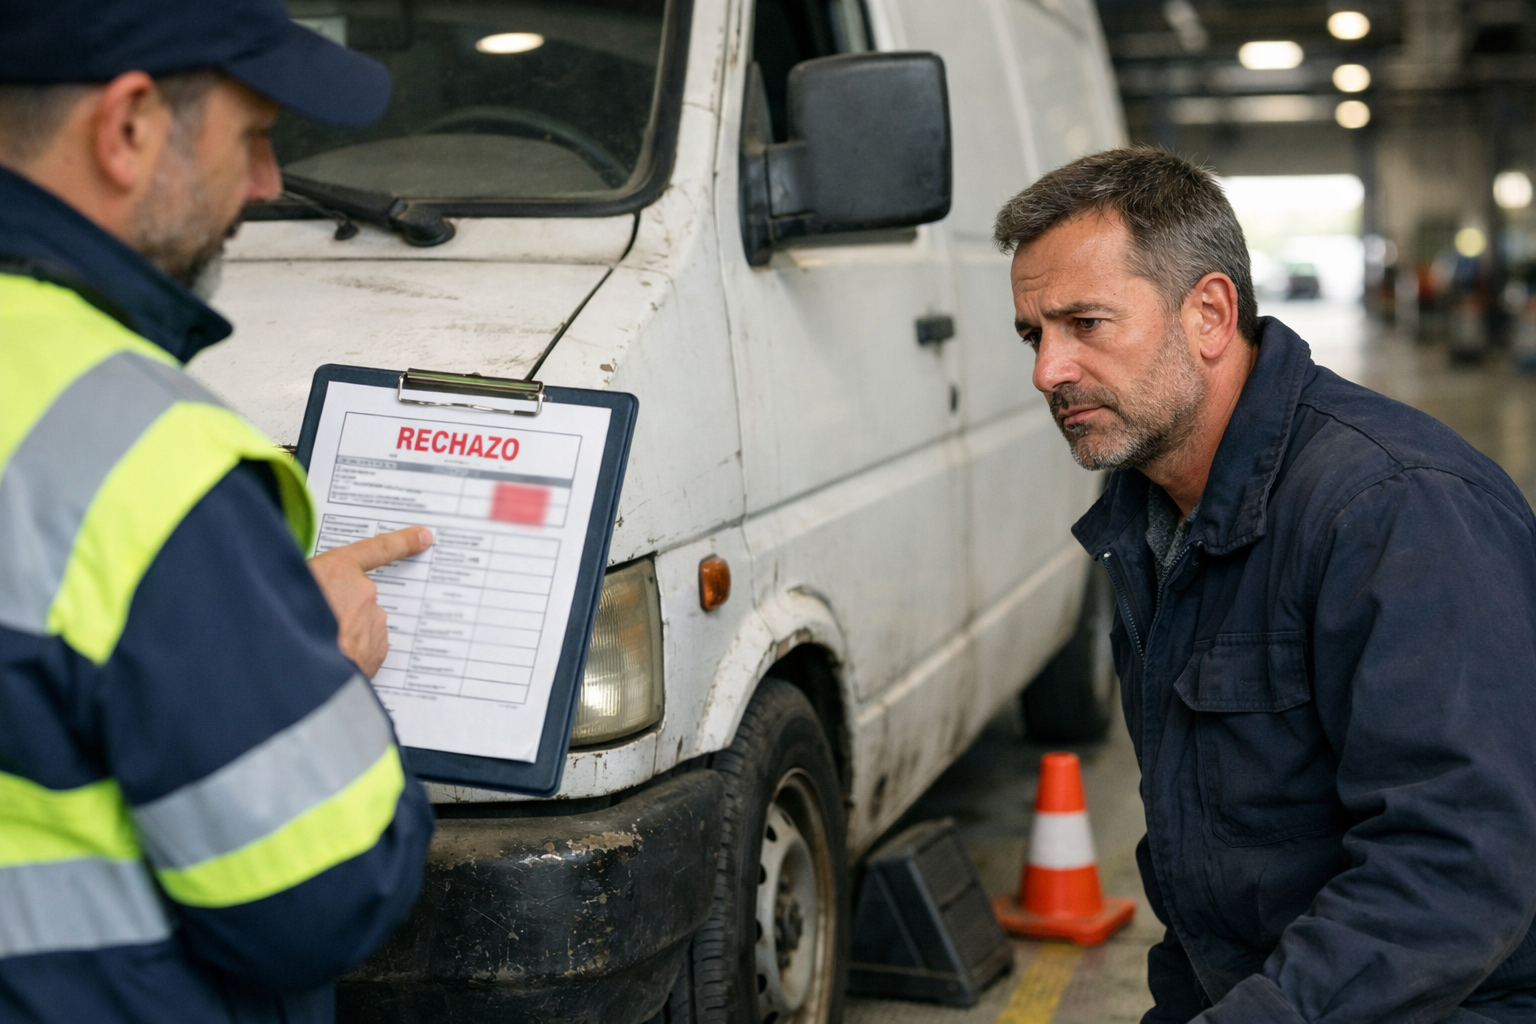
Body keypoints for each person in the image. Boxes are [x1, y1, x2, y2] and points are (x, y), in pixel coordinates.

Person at [996, 147, 1536, 1023]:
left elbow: (1456, 867)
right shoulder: (1152, 518)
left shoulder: (1395, 511)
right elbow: (1207, 865)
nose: (1046, 371)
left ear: (1209, 313)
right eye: (1034, 334)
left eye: (1084, 324)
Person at [0, 2, 437, 1021]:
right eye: (253, 135)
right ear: (129, 127)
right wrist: (316, 661)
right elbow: (324, 895)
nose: (267, 184)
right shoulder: (140, 457)